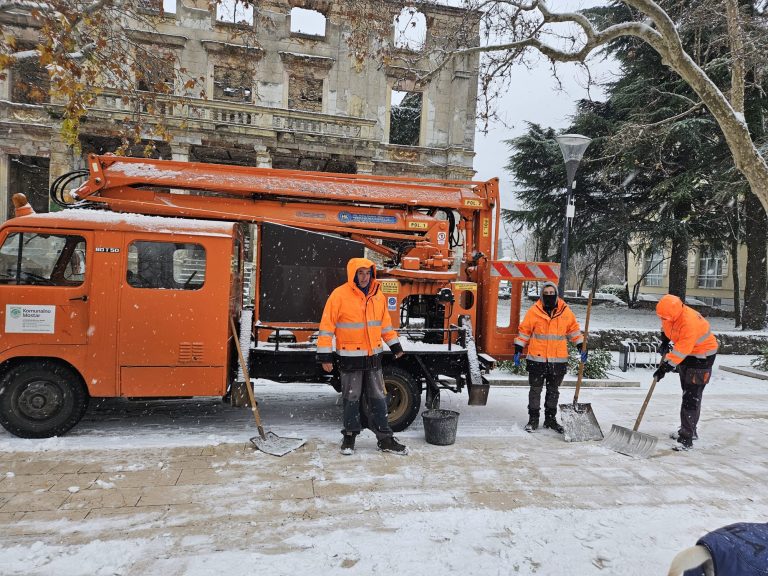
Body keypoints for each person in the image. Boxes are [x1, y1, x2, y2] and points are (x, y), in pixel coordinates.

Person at [317, 257, 408, 456]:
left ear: (372, 274)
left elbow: (384, 325)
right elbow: (326, 328)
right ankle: (349, 436)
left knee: (379, 398)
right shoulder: (339, 295)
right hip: (350, 359)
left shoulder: (378, 295)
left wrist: (395, 346)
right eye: (360, 273)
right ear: (353, 274)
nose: (365, 277)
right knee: (351, 399)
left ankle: (385, 438)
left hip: (373, 358)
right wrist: (325, 357)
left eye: (367, 273)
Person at [513, 282, 584, 433]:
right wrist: (518, 348)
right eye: (547, 293)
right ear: (541, 294)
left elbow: (574, 330)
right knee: (535, 391)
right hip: (537, 359)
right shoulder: (534, 311)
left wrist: (581, 345)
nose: (550, 295)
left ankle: (550, 420)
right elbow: (524, 331)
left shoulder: (565, 311)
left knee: (553, 391)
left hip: (558, 360)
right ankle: (533, 420)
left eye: (552, 293)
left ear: (557, 294)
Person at [653, 294, 718, 451]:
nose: (664, 319)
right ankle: (690, 429)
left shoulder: (688, 322)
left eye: (666, 317)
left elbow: (681, 350)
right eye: (662, 317)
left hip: (702, 356)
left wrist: (664, 367)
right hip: (688, 355)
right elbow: (667, 327)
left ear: (675, 313)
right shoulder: (670, 315)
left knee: (691, 397)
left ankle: (686, 438)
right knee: (687, 392)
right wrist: (665, 340)